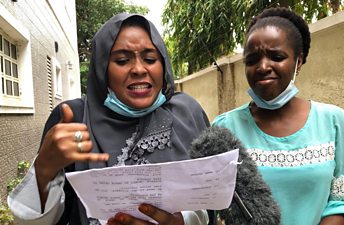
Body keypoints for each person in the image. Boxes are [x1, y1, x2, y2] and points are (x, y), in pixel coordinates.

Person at [7, 14, 210, 225]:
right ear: (102, 68)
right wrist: (43, 170)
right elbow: (32, 222)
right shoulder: (72, 119)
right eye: (122, 60)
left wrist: (184, 221)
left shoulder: (187, 113)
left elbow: (214, 198)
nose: (139, 69)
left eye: (150, 59)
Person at [212, 7, 344, 225]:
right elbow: (212, 207)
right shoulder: (224, 128)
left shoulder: (332, 121)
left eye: (277, 57)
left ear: (299, 61)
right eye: (252, 60)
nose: (263, 67)